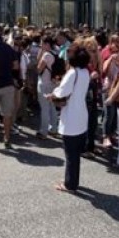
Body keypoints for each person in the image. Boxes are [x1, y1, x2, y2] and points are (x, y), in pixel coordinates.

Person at [47, 46, 90, 193]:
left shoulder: (73, 73)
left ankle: (70, 184)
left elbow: (62, 91)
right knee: (75, 153)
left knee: (70, 153)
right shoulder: (85, 72)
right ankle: (72, 180)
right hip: (81, 114)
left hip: (71, 116)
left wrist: (52, 94)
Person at [36, 36, 58, 139]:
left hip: (44, 83)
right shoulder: (55, 53)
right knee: (52, 107)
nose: (41, 45)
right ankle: (54, 129)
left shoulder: (46, 55)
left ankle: (43, 131)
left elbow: (39, 69)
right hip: (52, 83)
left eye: (42, 43)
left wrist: (41, 53)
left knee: (44, 108)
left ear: (47, 44)